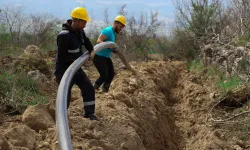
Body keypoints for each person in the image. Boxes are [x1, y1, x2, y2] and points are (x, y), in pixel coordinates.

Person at [54, 7, 97, 120]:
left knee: (88, 88)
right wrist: (77, 61)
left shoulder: (80, 31)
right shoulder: (64, 35)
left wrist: (91, 50)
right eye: (84, 22)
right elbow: (63, 56)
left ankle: (89, 113)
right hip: (64, 70)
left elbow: (86, 42)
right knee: (65, 96)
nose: (85, 25)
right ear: (76, 21)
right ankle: (61, 119)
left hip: (76, 68)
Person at [93, 15, 126, 92]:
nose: (120, 29)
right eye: (120, 27)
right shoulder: (108, 31)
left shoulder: (113, 33)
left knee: (111, 73)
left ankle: (105, 90)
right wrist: (110, 48)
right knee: (104, 75)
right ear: (116, 23)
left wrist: (113, 49)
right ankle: (93, 88)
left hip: (106, 57)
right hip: (99, 56)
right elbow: (99, 41)